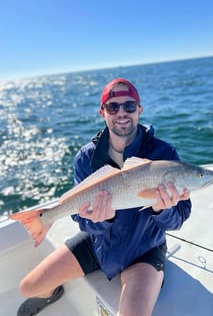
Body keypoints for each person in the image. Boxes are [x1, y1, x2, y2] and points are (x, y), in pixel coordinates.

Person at [17, 78, 192, 316]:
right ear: (103, 112)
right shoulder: (85, 157)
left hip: (144, 247)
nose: (122, 113)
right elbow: (83, 221)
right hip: (98, 243)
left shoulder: (164, 154)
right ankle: (52, 292)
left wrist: (162, 210)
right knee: (28, 287)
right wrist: (101, 221)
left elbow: (179, 217)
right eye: (113, 107)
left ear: (139, 110)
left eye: (129, 106)